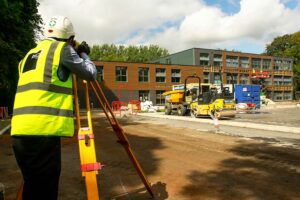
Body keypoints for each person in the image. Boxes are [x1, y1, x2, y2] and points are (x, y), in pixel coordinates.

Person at [10, 16, 97, 200]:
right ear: (70, 38)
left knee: (33, 187)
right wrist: (84, 54)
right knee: (45, 192)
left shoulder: (30, 54)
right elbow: (90, 74)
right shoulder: (62, 49)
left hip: (19, 132)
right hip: (43, 132)